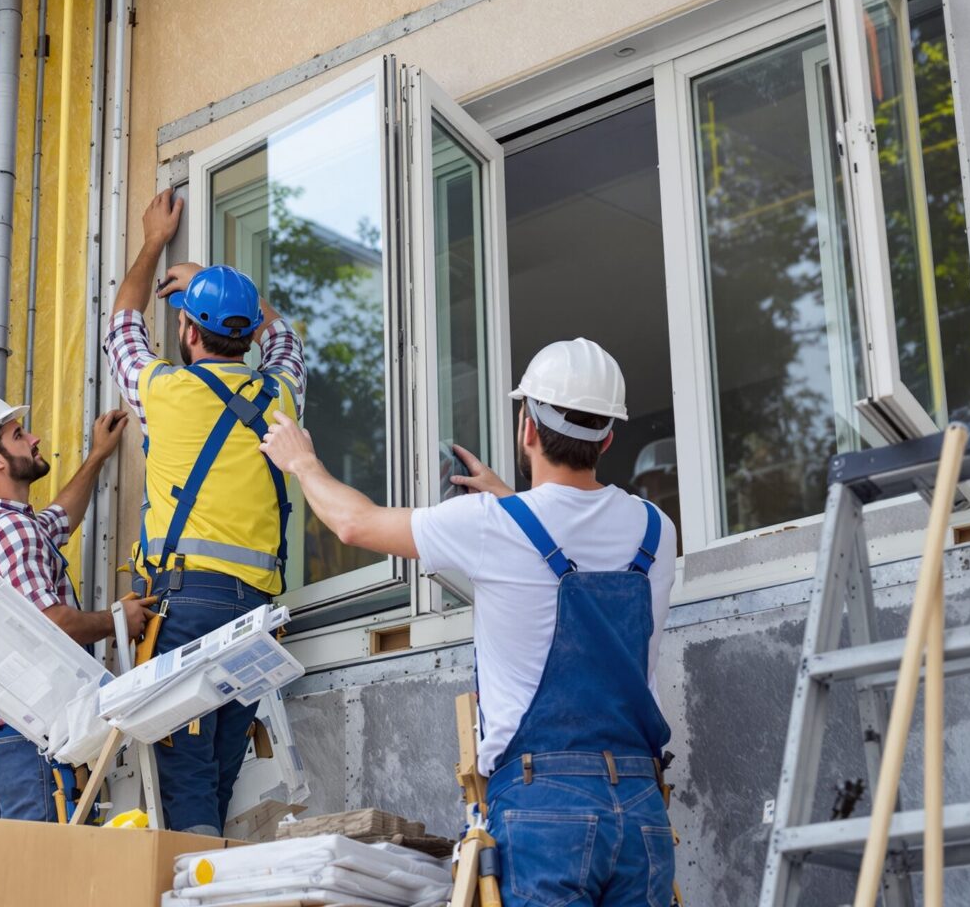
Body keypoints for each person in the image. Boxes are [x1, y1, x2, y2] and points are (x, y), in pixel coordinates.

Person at [258, 337, 679, 906]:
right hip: (641, 805)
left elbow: (354, 524)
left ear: (526, 427)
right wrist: (508, 501)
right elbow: (578, 542)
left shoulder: (490, 526)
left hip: (544, 808)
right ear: (608, 437)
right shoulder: (656, 528)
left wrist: (300, 461)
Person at [103, 189, 305, 836]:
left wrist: (154, 241)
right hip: (255, 620)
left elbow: (122, 326)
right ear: (245, 336)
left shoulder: (163, 392)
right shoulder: (279, 396)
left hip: (185, 610)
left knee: (185, 773)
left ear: (187, 332)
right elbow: (285, 339)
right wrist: (224, 285)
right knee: (218, 771)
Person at [0, 391, 154, 820]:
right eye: (18, 435)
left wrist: (98, 457)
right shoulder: (14, 530)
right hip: (35, 744)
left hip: (6, 747)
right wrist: (116, 620)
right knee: (51, 879)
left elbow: (59, 518)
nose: (33, 439)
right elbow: (52, 622)